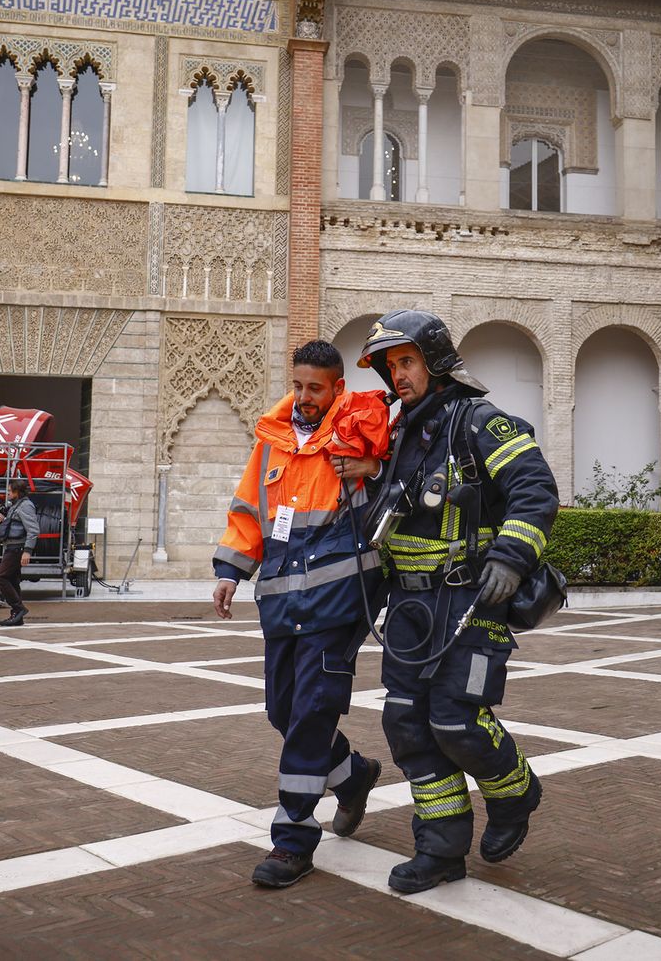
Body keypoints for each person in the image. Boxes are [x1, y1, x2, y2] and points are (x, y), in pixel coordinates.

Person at [356, 310, 558, 895]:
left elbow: (534, 490)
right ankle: (440, 851)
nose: (398, 376)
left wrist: (511, 557)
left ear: (436, 361)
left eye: (407, 362)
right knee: (409, 727)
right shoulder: (396, 435)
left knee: (455, 721)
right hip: (410, 612)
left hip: (469, 603)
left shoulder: (480, 422)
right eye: (391, 366)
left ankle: (517, 792)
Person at [212, 339, 392, 889]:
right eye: (298, 386)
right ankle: (354, 775)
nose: (305, 397)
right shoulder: (272, 440)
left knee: (311, 714)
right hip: (284, 602)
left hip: (339, 604)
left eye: (316, 388)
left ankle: (292, 841)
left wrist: (370, 466)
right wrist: (230, 570)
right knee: (283, 712)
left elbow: (398, 487)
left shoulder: (360, 431)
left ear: (337, 388)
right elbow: (249, 508)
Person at [0, 478, 39, 627]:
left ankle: (19, 609)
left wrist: (27, 551)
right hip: (11, 547)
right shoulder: (16, 505)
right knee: (12, 580)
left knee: (0, 578)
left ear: (17, 492)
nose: (8, 493)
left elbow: (33, 530)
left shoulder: (26, 506)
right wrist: (2, 519)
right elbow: (14, 525)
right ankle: (17, 616)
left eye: (10, 491)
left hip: (16, 549)